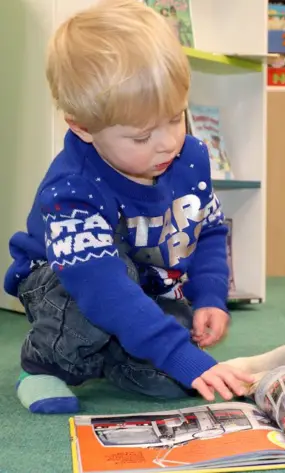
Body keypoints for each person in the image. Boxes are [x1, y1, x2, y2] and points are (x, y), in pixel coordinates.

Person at [3, 0, 254, 414]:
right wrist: (179, 355)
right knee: (109, 298)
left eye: (175, 118)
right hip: (65, 284)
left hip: (142, 286)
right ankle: (43, 363)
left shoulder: (189, 157)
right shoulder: (72, 189)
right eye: (141, 137)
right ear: (82, 127)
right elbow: (102, 288)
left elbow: (207, 228)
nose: (168, 143)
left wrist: (209, 296)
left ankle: (109, 356)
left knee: (174, 375)